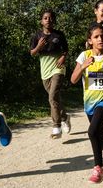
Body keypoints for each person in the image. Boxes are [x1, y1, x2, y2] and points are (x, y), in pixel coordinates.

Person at [71, 25, 103, 184]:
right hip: (89, 101)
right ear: (90, 40)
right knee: (99, 131)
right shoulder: (84, 56)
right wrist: (83, 66)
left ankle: (98, 168)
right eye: (96, 37)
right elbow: (73, 79)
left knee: (92, 131)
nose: (100, 39)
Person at [30, 9, 71, 139]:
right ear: (41, 21)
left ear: (54, 20)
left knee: (52, 97)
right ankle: (65, 117)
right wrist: (39, 47)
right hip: (45, 71)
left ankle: (56, 126)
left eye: (51, 18)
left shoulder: (59, 35)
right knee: (55, 98)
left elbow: (66, 50)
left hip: (58, 68)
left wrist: (63, 57)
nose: (48, 20)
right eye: (45, 18)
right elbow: (32, 53)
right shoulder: (37, 36)